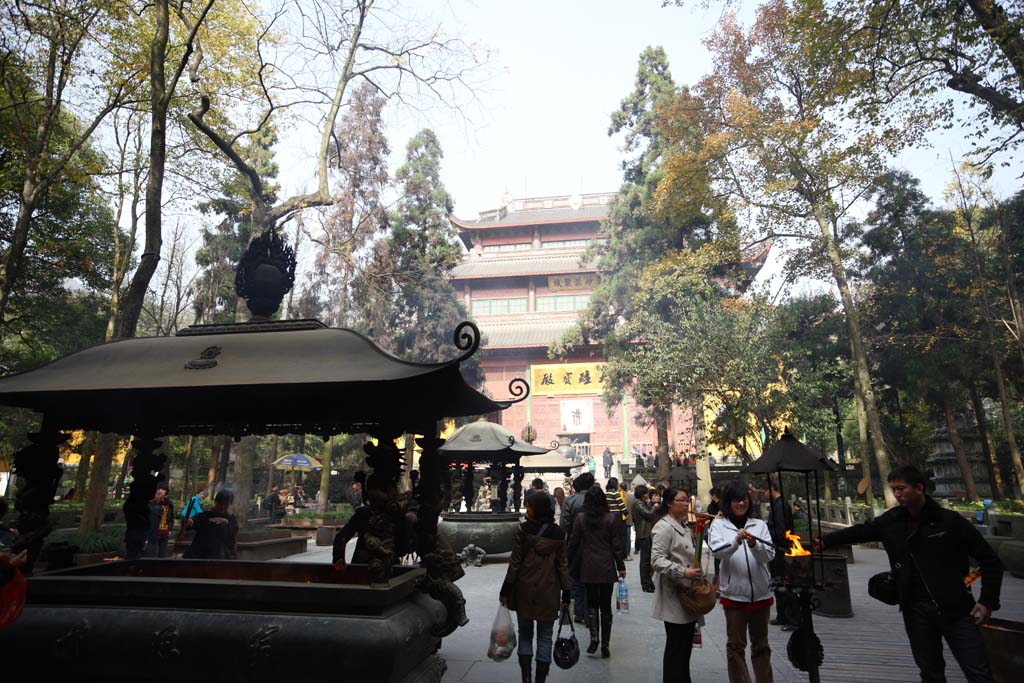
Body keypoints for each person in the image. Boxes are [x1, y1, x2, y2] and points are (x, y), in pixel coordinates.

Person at [817, 465, 1002, 683]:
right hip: (915, 610)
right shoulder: (893, 521)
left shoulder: (949, 521)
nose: (897, 494)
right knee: (930, 671)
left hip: (957, 608)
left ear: (919, 488)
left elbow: (990, 561)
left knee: (977, 671)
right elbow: (861, 531)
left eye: (901, 489)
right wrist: (826, 540)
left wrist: (987, 601)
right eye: (894, 489)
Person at [500, 492, 571, 683]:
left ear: (537, 509)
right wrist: (567, 591)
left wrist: (505, 590)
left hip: (524, 589)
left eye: (529, 507)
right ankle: (540, 680)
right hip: (549, 590)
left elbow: (515, 563)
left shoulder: (523, 530)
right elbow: (562, 565)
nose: (527, 510)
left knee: (525, 634)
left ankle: (526, 679)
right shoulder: (559, 534)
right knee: (545, 637)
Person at [709, 481, 775, 683]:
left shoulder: (759, 525)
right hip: (734, 596)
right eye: (736, 500)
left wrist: (755, 544)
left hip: (761, 595)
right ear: (728, 503)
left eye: (744, 500)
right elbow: (718, 552)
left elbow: (769, 555)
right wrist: (736, 542)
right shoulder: (719, 525)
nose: (741, 504)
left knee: (761, 646)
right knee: (736, 647)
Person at [651, 487, 703, 683]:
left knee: (684, 646)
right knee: (676, 646)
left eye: (686, 500)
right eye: (681, 500)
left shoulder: (681, 525)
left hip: (687, 595)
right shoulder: (664, 527)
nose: (685, 503)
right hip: (674, 595)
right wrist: (684, 571)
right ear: (670, 503)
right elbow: (656, 560)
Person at [567, 486, 625, 658]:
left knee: (591, 603)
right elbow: (616, 546)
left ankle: (594, 638)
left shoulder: (581, 519)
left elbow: (573, 543)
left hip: (588, 565)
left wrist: (566, 562)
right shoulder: (611, 518)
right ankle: (605, 644)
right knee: (605, 606)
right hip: (606, 565)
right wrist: (620, 566)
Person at [759, 480, 795, 630]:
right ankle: (782, 615)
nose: (764, 495)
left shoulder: (781, 506)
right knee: (778, 583)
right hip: (777, 548)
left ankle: (792, 618)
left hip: (781, 548)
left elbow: (781, 531)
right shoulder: (778, 504)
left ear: (770, 489)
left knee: (784, 584)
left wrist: (766, 532)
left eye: (764, 492)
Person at [560, 472, 595, 624]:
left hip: (575, 544)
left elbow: (564, 524)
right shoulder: (597, 500)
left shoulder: (570, 500)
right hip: (595, 544)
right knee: (591, 581)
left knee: (576, 579)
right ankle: (590, 613)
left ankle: (579, 612)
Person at [183, 490, 238, 559]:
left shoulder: (231, 518)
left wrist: (226, 523)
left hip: (219, 556)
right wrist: (189, 523)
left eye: (226, 504)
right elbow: (191, 525)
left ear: (229, 505)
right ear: (216, 502)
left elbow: (232, 537)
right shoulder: (205, 515)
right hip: (199, 554)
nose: (222, 507)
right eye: (220, 504)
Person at [632, 484, 658, 593]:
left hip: (646, 533)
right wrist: (654, 507)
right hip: (644, 534)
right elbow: (649, 514)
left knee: (647, 560)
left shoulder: (642, 503)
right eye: (646, 493)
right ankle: (646, 584)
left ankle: (648, 582)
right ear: (643, 494)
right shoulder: (638, 504)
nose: (648, 495)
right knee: (645, 561)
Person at [145, 485, 174, 558]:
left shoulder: (169, 503)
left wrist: (170, 528)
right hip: (153, 531)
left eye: (163, 489)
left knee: (163, 553)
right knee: (152, 552)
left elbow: (171, 517)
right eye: (159, 489)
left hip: (164, 531)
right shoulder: (150, 504)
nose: (160, 490)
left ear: (166, 492)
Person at [605, 478, 628, 565]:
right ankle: (621, 554)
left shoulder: (606, 493)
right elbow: (621, 504)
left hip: (609, 516)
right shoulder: (615, 493)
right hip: (617, 517)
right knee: (620, 536)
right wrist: (626, 513)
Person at [622, 481, 635, 559]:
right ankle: (627, 554)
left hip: (620, 520)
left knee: (621, 537)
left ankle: (622, 553)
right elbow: (633, 508)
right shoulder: (631, 497)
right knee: (628, 537)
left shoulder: (618, 496)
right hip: (629, 519)